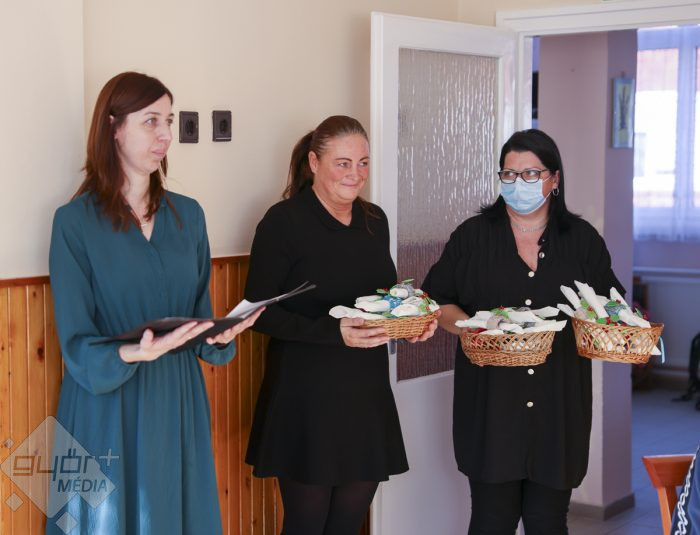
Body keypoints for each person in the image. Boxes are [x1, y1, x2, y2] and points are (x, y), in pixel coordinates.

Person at [47, 72, 262, 535]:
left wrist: (219, 335)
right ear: (113, 127)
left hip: (176, 399)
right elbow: (76, 343)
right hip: (106, 405)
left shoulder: (190, 216)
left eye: (168, 120)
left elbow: (199, 320)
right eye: (151, 121)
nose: (165, 134)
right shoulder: (73, 223)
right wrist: (133, 352)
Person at [422, 129, 623, 534]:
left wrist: (609, 326)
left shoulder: (582, 240)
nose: (519, 184)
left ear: (555, 178)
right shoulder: (472, 237)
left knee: (548, 521)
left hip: (558, 405)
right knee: (491, 520)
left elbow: (610, 307)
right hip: (491, 404)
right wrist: (469, 330)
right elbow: (437, 300)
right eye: (509, 174)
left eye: (531, 174)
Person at [244, 115, 437, 535]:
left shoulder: (374, 220)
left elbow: (383, 300)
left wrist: (410, 324)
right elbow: (259, 312)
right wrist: (333, 332)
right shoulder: (283, 222)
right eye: (343, 163)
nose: (356, 174)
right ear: (314, 162)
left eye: (363, 163)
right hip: (306, 394)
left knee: (349, 523)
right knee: (306, 524)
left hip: (365, 391)